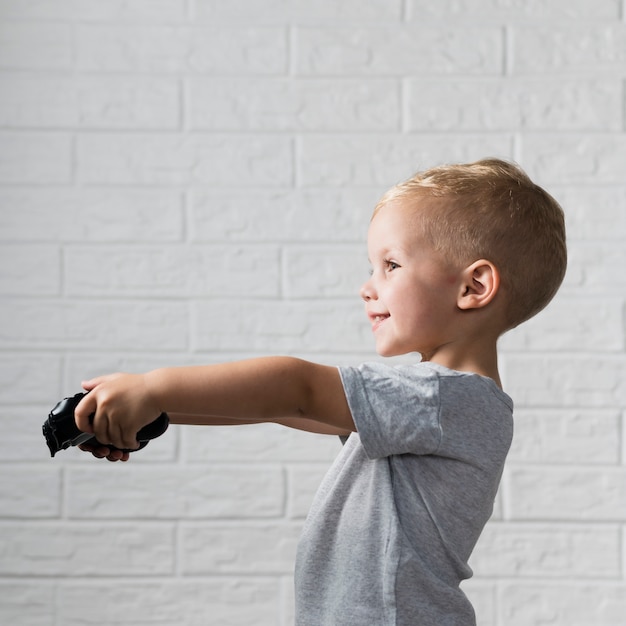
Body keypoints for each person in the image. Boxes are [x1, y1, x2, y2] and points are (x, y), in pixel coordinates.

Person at [75, 158, 567, 625]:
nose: (368, 287)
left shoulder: (442, 399)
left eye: (391, 266)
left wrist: (154, 387)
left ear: (474, 286)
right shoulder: (429, 406)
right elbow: (282, 409)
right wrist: (157, 412)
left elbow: (296, 389)